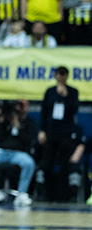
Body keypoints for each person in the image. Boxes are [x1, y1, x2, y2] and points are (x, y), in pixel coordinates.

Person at [39, 67, 82, 202]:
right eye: (59, 74)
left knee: (64, 165)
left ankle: (63, 196)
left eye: (63, 75)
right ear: (55, 75)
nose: (61, 77)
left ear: (67, 76)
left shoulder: (73, 92)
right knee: (48, 164)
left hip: (66, 132)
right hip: (51, 131)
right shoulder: (50, 91)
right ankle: (48, 194)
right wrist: (42, 130)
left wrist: (65, 95)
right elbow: (44, 112)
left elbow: (74, 110)